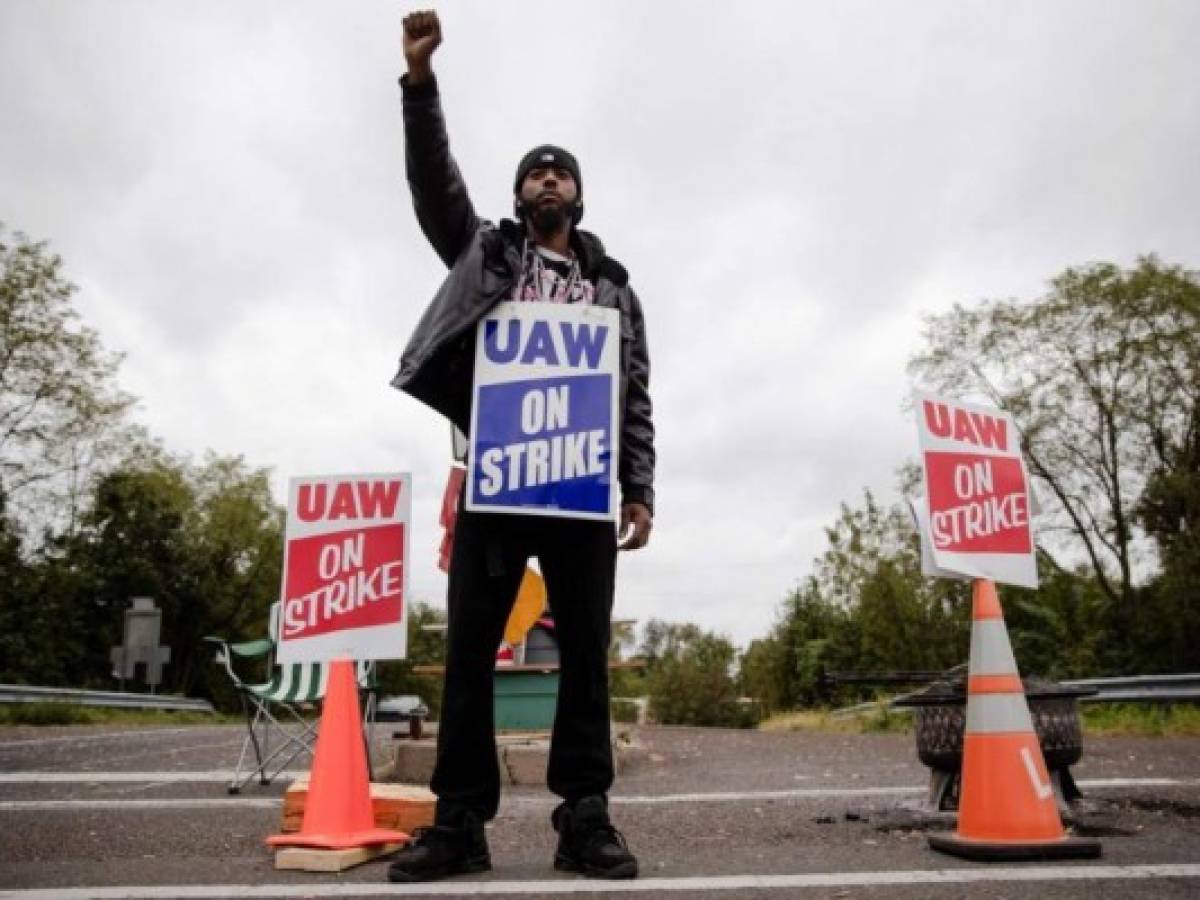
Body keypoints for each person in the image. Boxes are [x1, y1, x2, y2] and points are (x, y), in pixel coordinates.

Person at [386, 9, 656, 884]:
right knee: (469, 654)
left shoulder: (613, 287)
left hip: (581, 490)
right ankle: (459, 825)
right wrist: (421, 86)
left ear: (578, 196)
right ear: (519, 196)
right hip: (499, 480)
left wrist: (639, 485)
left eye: (561, 172)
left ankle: (586, 821)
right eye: (534, 172)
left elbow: (636, 392)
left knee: (584, 660)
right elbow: (434, 186)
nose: (548, 179)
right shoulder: (484, 253)